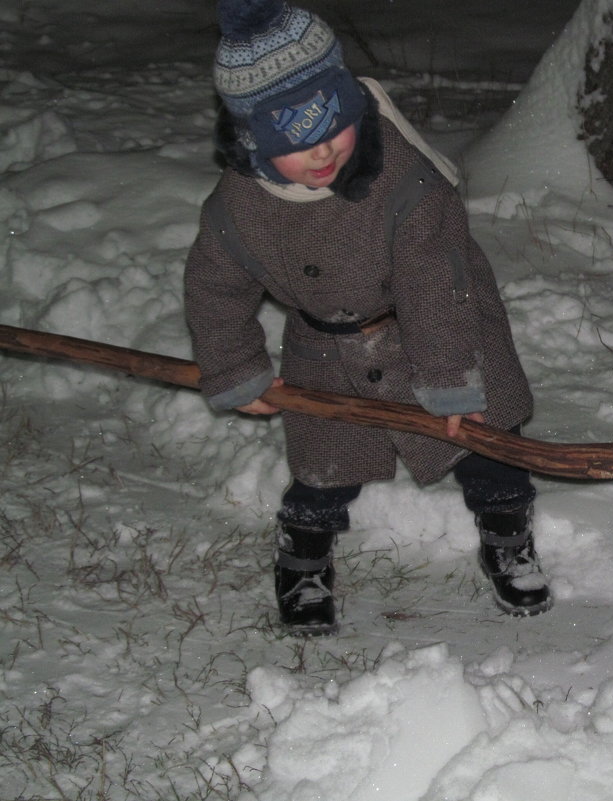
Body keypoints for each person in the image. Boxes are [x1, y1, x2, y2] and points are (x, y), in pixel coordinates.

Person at [184, 0, 551, 635]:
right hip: (327, 349)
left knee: (488, 443)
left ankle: (507, 536)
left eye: (334, 127)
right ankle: (303, 561)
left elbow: (435, 282)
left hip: (442, 328)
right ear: (251, 137)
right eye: (295, 143)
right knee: (326, 464)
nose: (323, 153)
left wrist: (448, 379)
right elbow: (214, 289)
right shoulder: (236, 208)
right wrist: (236, 368)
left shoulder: (405, 184)